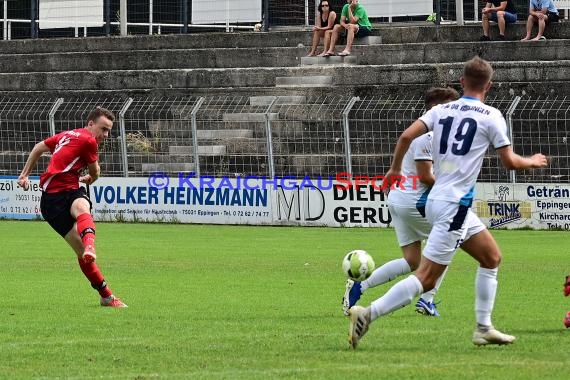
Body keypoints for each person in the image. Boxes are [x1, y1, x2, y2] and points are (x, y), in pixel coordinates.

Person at [347, 56, 548, 349]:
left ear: (462, 82)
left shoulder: (441, 110)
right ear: (489, 86)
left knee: (491, 257)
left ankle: (483, 327)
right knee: (427, 278)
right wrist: (532, 161)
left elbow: (405, 136)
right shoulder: (491, 115)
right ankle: (368, 313)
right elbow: (510, 162)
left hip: (439, 200)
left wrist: (393, 169)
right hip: (454, 205)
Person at [342, 87, 460, 318]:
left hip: (399, 199)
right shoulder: (429, 135)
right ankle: (427, 299)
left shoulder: (430, 134)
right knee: (452, 238)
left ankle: (360, 286)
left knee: (412, 260)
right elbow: (426, 176)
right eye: (451, 107)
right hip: (413, 202)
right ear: (437, 108)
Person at [18, 107, 127, 308]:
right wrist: (91, 178)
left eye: (108, 131)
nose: (105, 135)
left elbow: (38, 147)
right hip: (53, 202)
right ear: (91, 124)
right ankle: (105, 294)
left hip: (70, 190)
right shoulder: (88, 140)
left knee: (82, 206)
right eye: (103, 129)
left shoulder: (68, 134)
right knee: (81, 253)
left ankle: (90, 247)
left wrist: (25, 174)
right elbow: (95, 172)